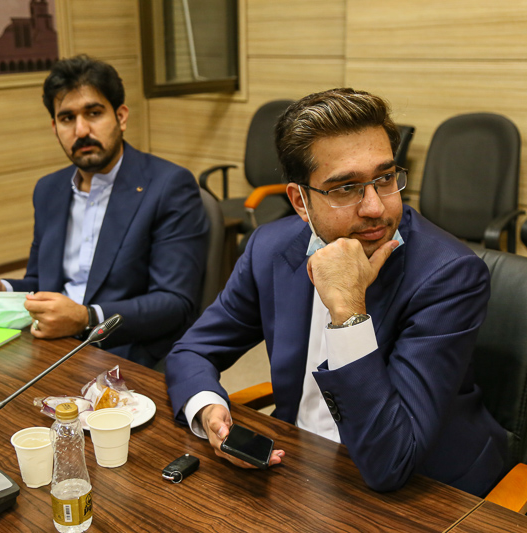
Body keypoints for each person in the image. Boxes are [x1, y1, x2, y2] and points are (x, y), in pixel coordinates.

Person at [165, 88, 508, 497]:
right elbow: (192, 351)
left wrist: (347, 311)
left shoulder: (449, 275)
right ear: (300, 201)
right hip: (301, 462)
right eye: (346, 187)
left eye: (385, 178)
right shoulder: (270, 249)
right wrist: (207, 408)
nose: (375, 207)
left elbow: (391, 463)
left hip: (427, 488)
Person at [0, 55, 209, 368]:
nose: (81, 130)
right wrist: (2, 290)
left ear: (120, 117)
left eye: (93, 113)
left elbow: (175, 303)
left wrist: (86, 318)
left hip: (125, 353)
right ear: (55, 128)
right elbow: (42, 281)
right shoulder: (48, 189)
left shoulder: (168, 186)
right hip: (53, 344)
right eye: (67, 118)